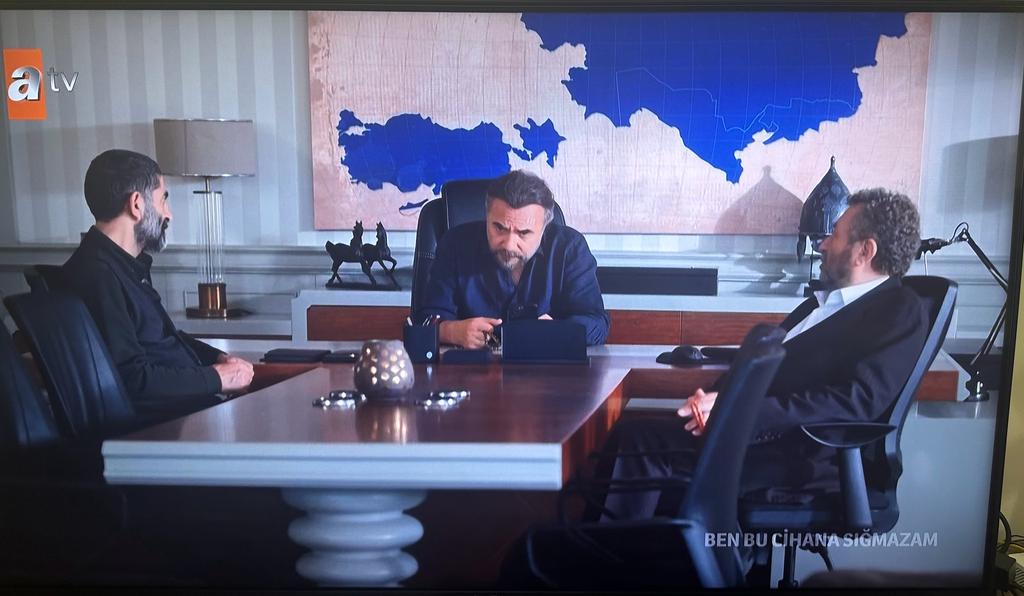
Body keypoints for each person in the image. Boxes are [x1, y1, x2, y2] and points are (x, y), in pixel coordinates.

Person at [603, 188, 929, 519]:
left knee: (641, 442)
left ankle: (609, 550)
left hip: (798, 455)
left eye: (835, 234)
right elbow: (762, 365)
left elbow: (852, 403)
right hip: (752, 435)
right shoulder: (819, 305)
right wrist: (714, 399)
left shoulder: (898, 310)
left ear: (864, 251)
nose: (822, 244)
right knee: (629, 433)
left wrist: (735, 412)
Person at [62, 149, 254, 421]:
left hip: (190, 414)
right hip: (164, 428)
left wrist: (220, 360)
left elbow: (164, 339)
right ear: (137, 204)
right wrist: (217, 378)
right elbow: (133, 379)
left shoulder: (122, 266)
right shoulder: (98, 276)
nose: (168, 214)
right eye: (163, 199)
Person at [415, 170, 610, 348]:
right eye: (499, 228)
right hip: (473, 369)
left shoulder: (569, 248)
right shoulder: (455, 244)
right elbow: (425, 321)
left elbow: (597, 324)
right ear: (487, 216)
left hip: (547, 370)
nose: (509, 244)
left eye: (523, 233)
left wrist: (559, 331)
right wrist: (451, 332)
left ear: (544, 227)